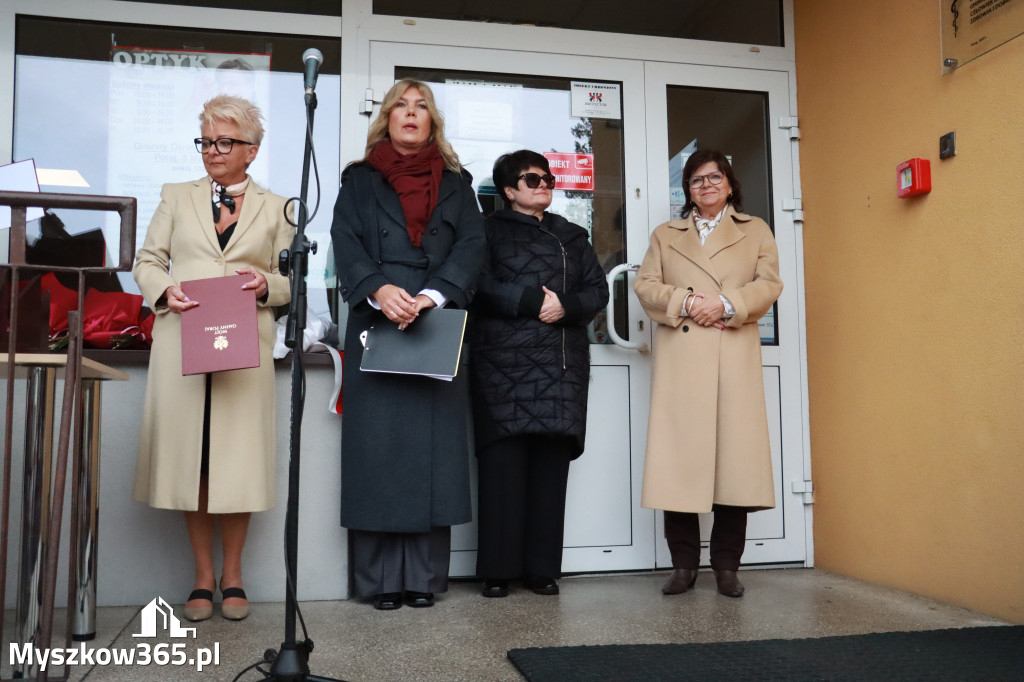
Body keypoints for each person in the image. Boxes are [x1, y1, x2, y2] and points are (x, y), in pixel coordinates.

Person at [133, 94, 293, 621]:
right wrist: (165, 291)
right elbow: (148, 259)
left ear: (252, 149)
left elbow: (293, 282)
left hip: (245, 346)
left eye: (225, 141)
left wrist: (264, 283)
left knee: (237, 462)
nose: (212, 151)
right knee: (194, 462)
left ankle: (234, 575)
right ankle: (202, 577)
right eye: (205, 141)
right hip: (183, 338)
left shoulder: (279, 207)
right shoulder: (176, 196)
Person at [330, 79, 486, 610]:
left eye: (422, 106)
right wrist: (378, 289)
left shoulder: (458, 184)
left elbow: (472, 246)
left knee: (431, 456)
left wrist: (434, 294)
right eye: (402, 105)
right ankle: (377, 584)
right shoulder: (359, 180)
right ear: (388, 118)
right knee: (380, 452)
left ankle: (422, 579)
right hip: (377, 318)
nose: (411, 113)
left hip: (435, 319)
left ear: (432, 121)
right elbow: (345, 241)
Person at [634, 149, 783, 598]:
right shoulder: (666, 234)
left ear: (730, 183)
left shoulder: (755, 229)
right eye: (696, 180)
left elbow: (769, 284)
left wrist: (726, 303)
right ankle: (683, 567)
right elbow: (645, 285)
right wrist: (688, 301)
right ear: (687, 190)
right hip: (682, 358)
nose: (706, 185)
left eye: (714, 177)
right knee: (678, 464)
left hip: (733, 354)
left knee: (732, 467)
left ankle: (726, 568)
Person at [469, 150, 608, 598]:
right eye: (532, 179)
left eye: (547, 178)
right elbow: (476, 284)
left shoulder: (572, 235)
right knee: (503, 467)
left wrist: (567, 306)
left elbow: (598, 289)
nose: (544, 184)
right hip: (502, 365)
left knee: (550, 469)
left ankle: (542, 569)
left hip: (561, 365)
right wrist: (530, 301)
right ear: (509, 190)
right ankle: (496, 569)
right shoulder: (487, 231)